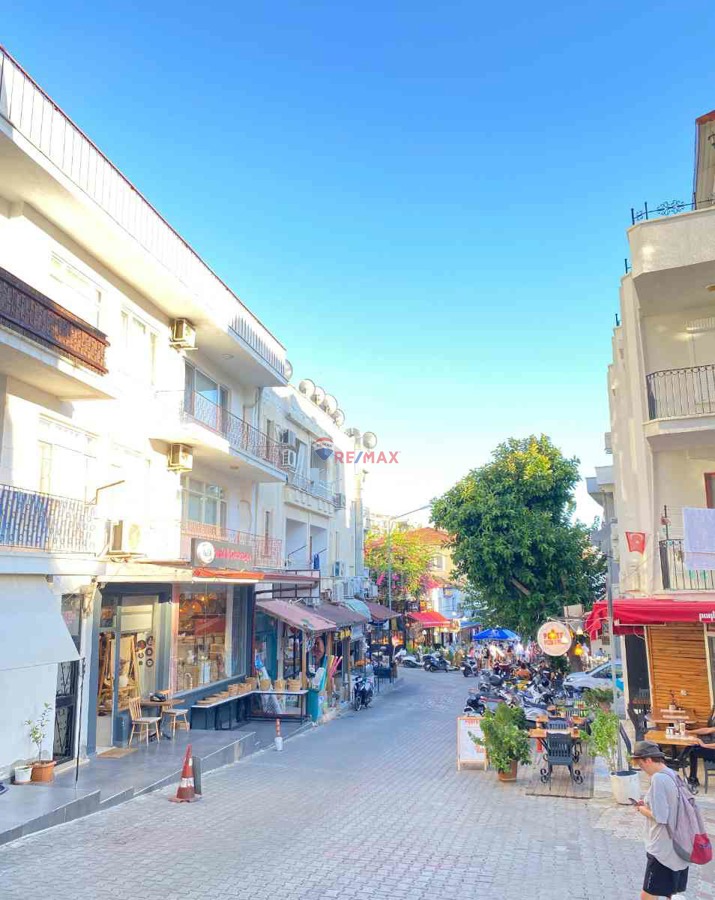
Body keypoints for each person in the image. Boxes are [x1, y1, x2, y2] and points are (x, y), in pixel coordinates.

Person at [630, 740, 689, 899]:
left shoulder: (658, 779)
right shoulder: (673, 774)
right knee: (670, 892)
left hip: (663, 848)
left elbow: (661, 816)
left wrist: (641, 809)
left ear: (648, 760)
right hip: (679, 843)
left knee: (648, 894)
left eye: (640, 764)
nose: (642, 769)